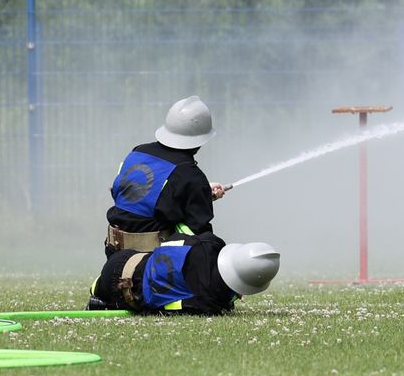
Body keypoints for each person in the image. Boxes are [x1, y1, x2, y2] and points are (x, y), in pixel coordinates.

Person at [105, 96, 227, 256]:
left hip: (115, 250)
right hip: (153, 258)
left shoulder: (138, 151)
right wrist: (200, 194)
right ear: (200, 139)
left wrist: (202, 192)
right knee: (210, 244)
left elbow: (144, 197)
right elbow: (200, 228)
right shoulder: (190, 175)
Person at [88, 237, 279, 316]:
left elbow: (174, 240)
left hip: (129, 256)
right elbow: (160, 307)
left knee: (100, 286)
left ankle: (97, 289)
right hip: (121, 286)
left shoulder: (211, 244)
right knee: (106, 295)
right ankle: (100, 296)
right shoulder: (206, 302)